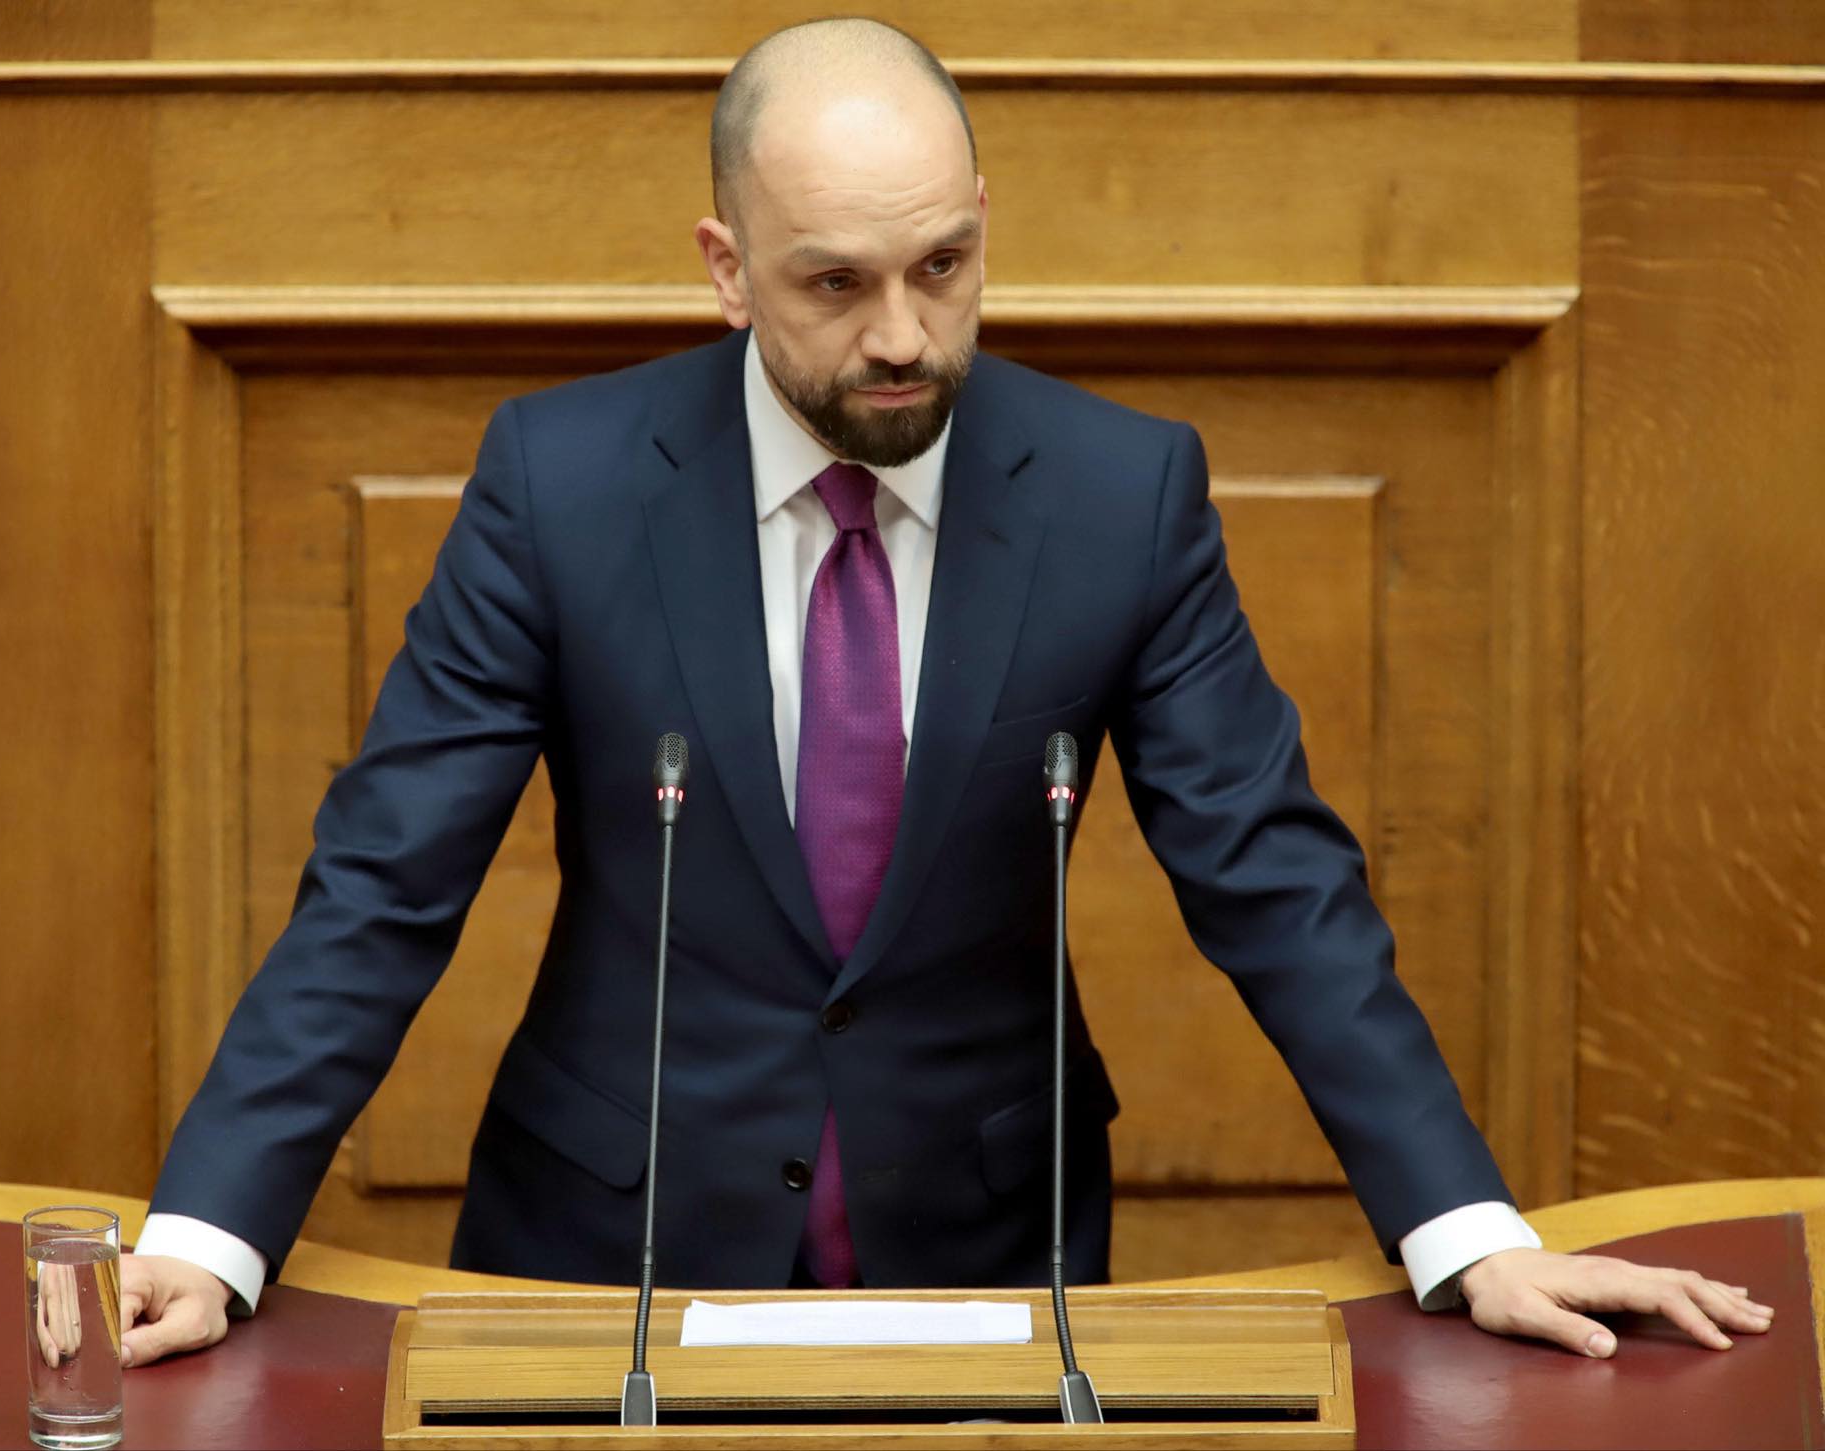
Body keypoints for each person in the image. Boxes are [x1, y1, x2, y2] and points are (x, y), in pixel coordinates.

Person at [119, 17, 1773, 1369]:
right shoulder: (562, 485)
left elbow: (1274, 880)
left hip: (987, 1256)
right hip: (614, 1251)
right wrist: (211, 1231)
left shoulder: (1119, 497)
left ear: (983, 218)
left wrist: (1465, 1231)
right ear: (726, 267)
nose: (905, 336)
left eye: (944, 264)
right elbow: (385, 882)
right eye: (835, 283)